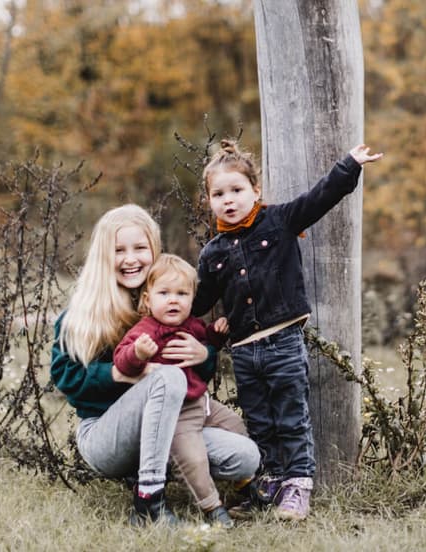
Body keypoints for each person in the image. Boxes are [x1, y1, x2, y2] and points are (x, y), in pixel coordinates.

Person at [192, 140, 383, 521]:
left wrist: (350, 165)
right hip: (244, 351)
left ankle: (298, 487)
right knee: (259, 421)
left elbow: (320, 198)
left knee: (290, 416)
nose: (228, 200)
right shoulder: (211, 253)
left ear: (255, 191)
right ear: (208, 200)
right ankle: (269, 484)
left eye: (236, 190)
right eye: (218, 194)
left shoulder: (279, 221)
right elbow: (197, 304)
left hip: (283, 343)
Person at [50, 204, 260, 527]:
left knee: (245, 456)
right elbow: (66, 377)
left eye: (140, 248)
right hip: (106, 435)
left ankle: (195, 478)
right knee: (168, 377)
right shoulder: (83, 313)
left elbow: (191, 377)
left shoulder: (166, 298)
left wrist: (205, 355)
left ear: (154, 250)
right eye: (119, 250)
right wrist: (118, 374)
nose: (130, 258)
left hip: (170, 427)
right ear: (104, 256)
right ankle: (147, 503)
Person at [113, 253, 256, 528]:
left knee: (237, 424)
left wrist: (215, 334)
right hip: (177, 414)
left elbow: (205, 338)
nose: (173, 300)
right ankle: (212, 507)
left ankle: (243, 482)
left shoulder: (190, 325)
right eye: (164, 293)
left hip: (202, 402)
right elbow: (122, 360)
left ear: (192, 299)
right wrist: (138, 353)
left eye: (182, 293)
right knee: (193, 459)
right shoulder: (146, 331)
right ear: (148, 299)